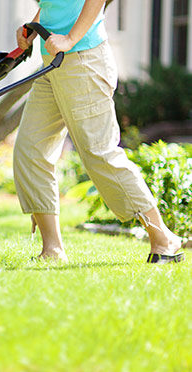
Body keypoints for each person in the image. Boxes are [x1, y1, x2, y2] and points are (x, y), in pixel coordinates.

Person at [13, 0, 184, 264]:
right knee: (30, 148)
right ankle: (53, 250)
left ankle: (164, 238)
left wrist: (70, 38)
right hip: (53, 60)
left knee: (99, 152)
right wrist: (36, 24)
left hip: (83, 59)